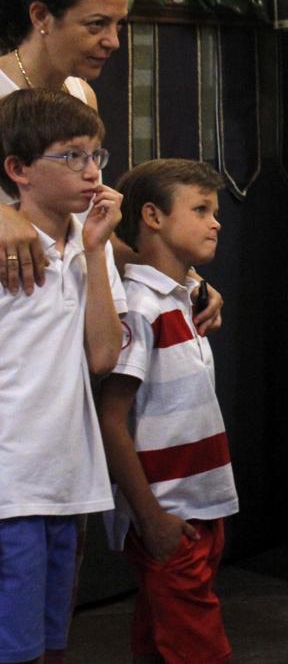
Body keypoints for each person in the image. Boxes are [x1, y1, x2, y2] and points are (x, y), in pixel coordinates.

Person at [0, 0, 223, 331]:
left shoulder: (81, 95)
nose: (113, 41)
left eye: (118, 25)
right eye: (96, 24)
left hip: (74, 315)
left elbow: (91, 235)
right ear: (42, 16)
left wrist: (179, 277)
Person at [97, 159, 238, 664]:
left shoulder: (185, 300)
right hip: (169, 512)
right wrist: (151, 517)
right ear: (153, 216)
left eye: (215, 210)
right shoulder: (141, 307)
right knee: (201, 650)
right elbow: (111, 417)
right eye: (200, 209)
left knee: (161, 642)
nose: (215, 221)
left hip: (199, 507)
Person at [0, 89, 123, 664]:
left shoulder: (86, 245)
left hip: (66, 476)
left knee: (52, 644)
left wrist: (96, 253)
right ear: (19, 170)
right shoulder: (8, 249)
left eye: (96, 154)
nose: (91, 171)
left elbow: (103, 355)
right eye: (70, 156)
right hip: (12, 481)